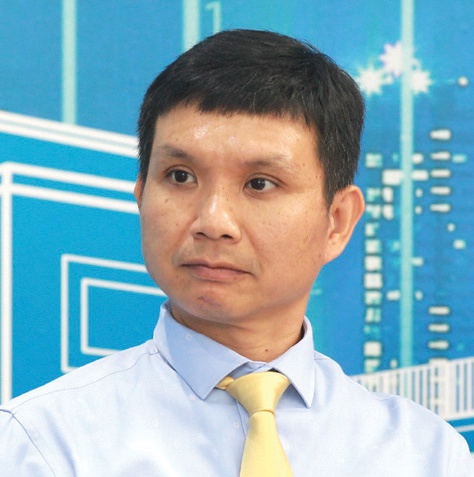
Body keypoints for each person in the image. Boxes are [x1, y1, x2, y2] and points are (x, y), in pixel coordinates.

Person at [0, 29, 472, 476]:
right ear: (141, 194)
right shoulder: (45, 442)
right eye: (180, 176)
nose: (213, 222)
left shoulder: (424, 453)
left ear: (337, 221)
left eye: (260, 184)